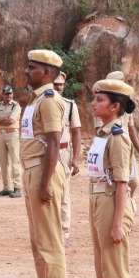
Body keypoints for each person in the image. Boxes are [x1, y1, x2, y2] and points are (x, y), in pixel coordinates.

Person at [83, 77, 139, 278]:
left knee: (114, 271)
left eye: (100, 100)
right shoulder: (104, 133)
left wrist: (118, 223)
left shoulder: (117, 136)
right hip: (98, 200)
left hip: (111, 202)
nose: (94, 103)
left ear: (115, 106)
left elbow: (122, 183)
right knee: (103, 270)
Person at [18, 49, 70, 278]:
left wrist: (46, 182)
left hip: (42, 170)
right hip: (32, 170)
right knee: (38, 237)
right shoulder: (35, 100)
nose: (27, 71)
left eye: (32, 67)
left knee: (49, 237)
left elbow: (53, 142)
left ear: (47, 73)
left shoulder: (49, 100)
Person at [54, 71, 84, 246]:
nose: (58, 87)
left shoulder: (70, 105)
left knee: (64, 194)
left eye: (61, 84)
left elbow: (76, 132)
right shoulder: (40, 104)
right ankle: (50, 232)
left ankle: (64, 233)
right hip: (46, 152)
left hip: (64, 153)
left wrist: (75, 158)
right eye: (55, 84)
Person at [0, 84, 23, 198]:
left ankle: (17, 187)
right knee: (3, 162)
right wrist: (3, 119)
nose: (9, 95)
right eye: (6, 93)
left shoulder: (16, 106)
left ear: (12, 94)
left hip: (12, 133)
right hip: (1, 135)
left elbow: (11, 121)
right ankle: (7, 188)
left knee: (15, 160)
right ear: (3, 94)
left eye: (10, 93)